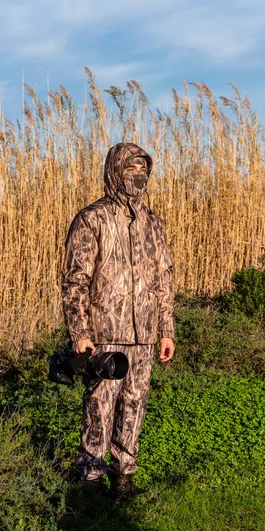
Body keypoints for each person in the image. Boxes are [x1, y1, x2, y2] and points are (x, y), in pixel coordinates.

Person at [61, 142, 176, 501]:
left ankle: (123, 479)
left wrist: (166, 330)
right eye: (129, 170)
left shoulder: (153, 223)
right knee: (99, 404)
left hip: (144, 334)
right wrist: (80, 333)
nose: (136, 177)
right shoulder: (92, 218)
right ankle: (90, 480)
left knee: (135, 403)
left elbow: (164, 279)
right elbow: (75, 279)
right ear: (114, 171)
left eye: (142, 171)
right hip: (105, 333)